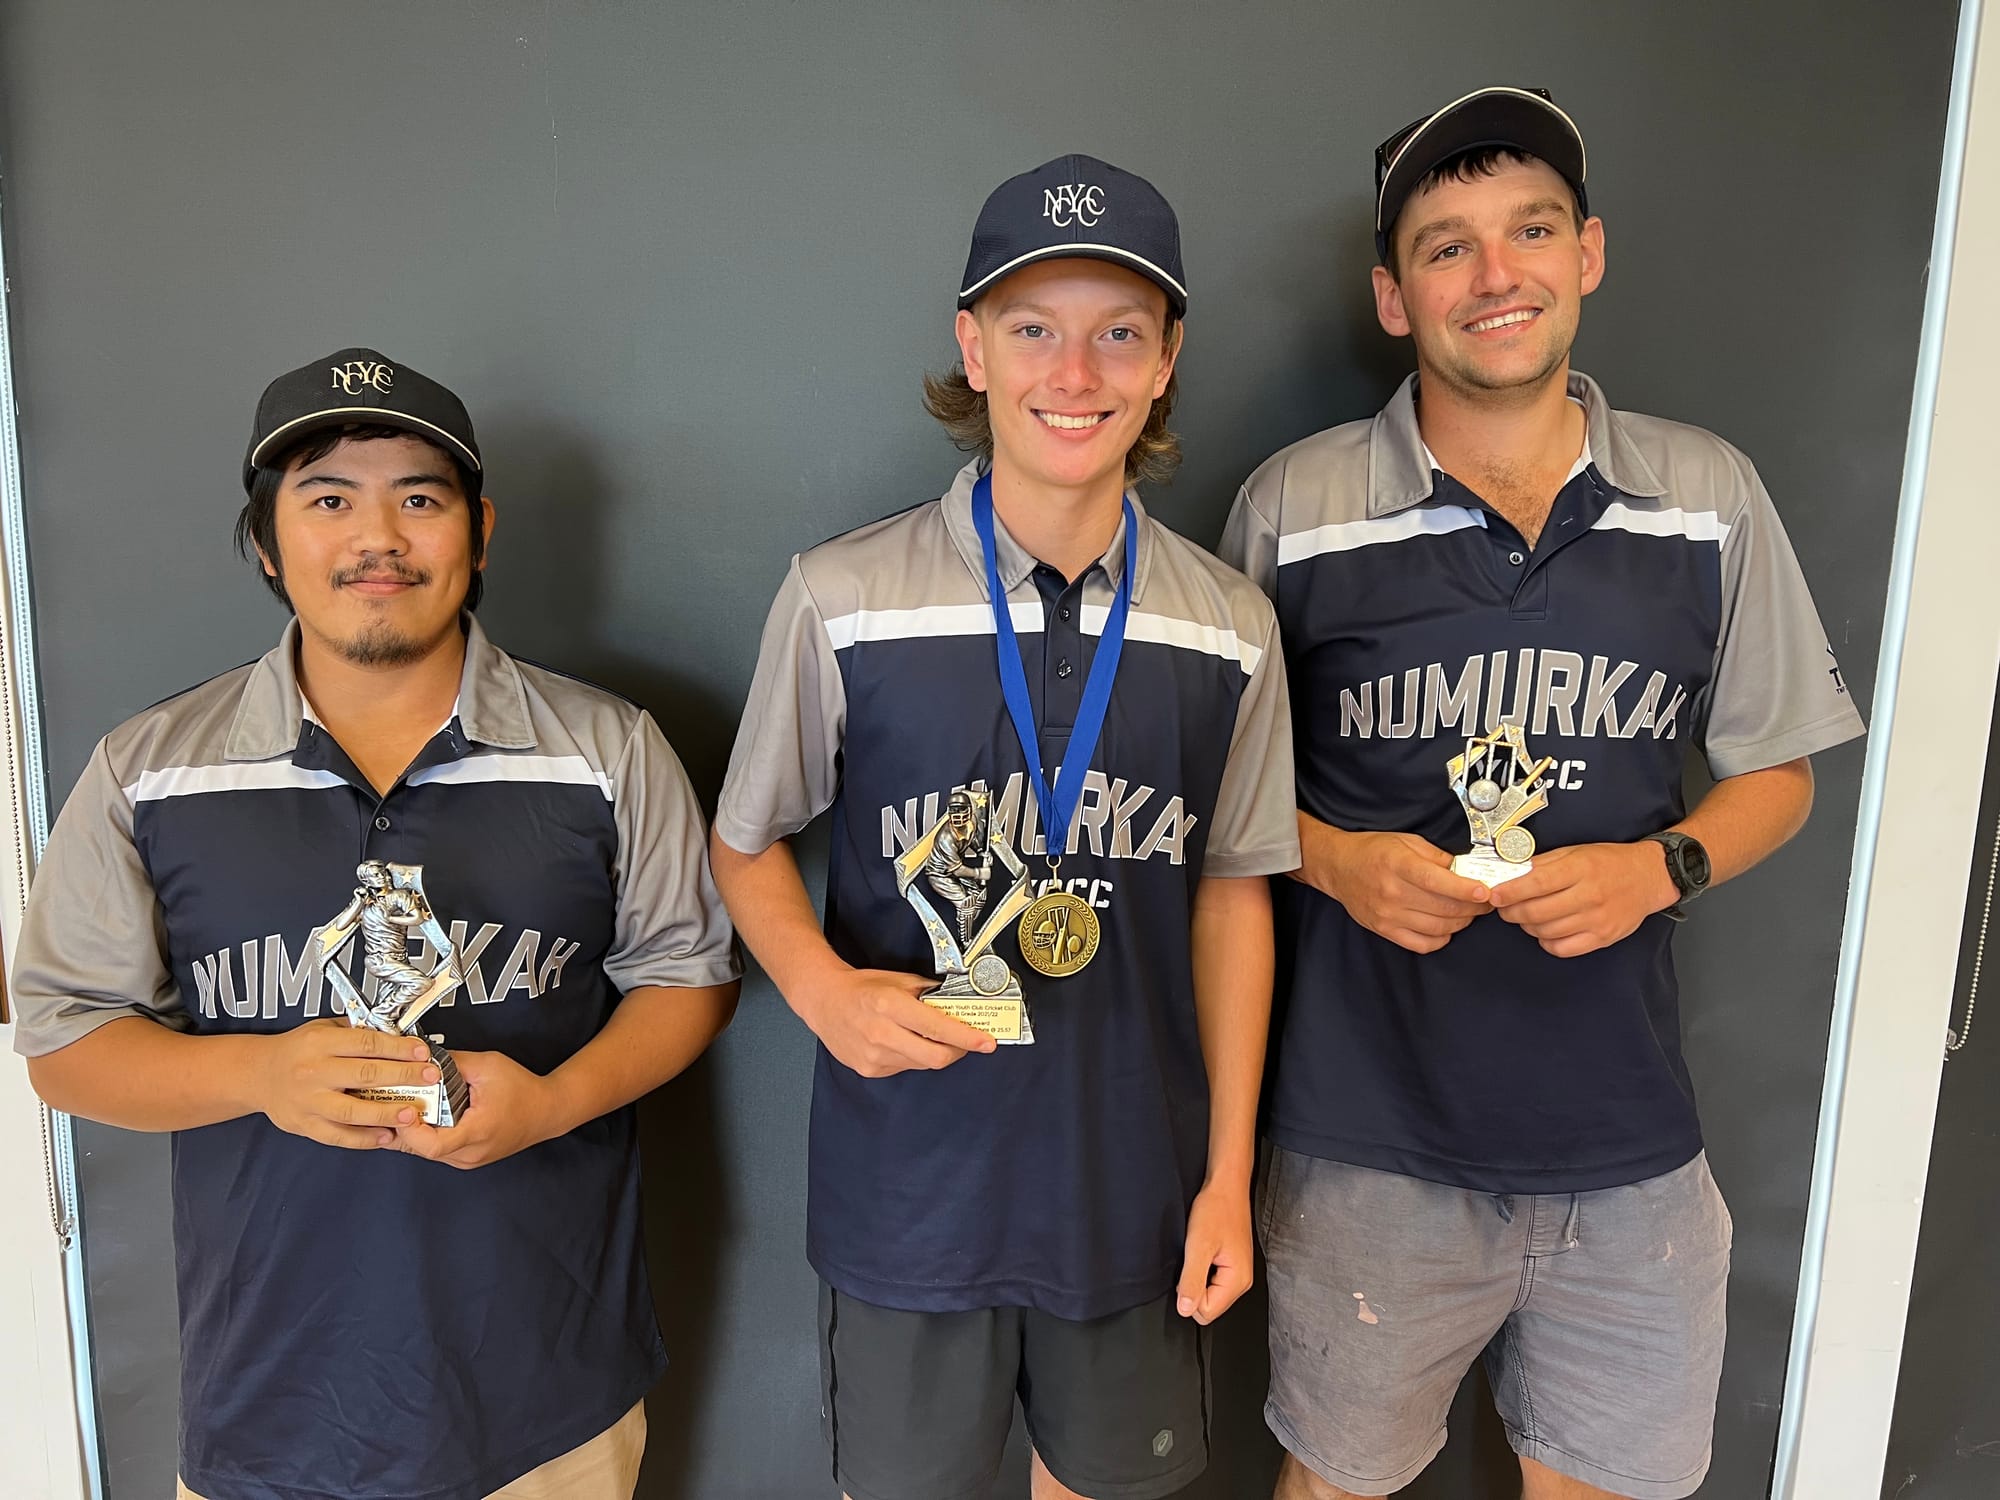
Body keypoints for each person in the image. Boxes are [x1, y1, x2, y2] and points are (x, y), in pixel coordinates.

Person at [1219, 88, 1866, 1500]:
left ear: (1589, 253)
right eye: (1445, 246)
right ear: (1392, 297)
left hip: (1628, 1145)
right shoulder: (1293, 507)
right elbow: (1221, 801)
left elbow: (1779, 771)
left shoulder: (1707, 492)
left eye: (1530, 229)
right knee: (1334, 1485)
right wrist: (1336, 862)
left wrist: (1660, 867)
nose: (1493, 274)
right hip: (1367, 1140)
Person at [13, 348, 741, 1500]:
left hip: (550, 1396)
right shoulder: (148, 770)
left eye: (419, 499)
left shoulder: (605, 751)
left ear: (478, 531)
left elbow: (688, 978)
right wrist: (260, 1075)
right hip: (271, 1401)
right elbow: (65, 1046)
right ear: (266, 541)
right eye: (327, 501)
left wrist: (554, 1101)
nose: (378, 538)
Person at [711, 155, 1299, 1500]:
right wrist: (822, 993)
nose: (1073, 373)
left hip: (1134, 1200)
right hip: (911, 1200)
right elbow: (743, 841)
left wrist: (1226, 1179)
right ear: (972, 351)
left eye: (1119, 334)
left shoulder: (1228, 624)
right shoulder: (843, 596)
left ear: (1167, 360)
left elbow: (1232, 898)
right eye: (1033, 328)